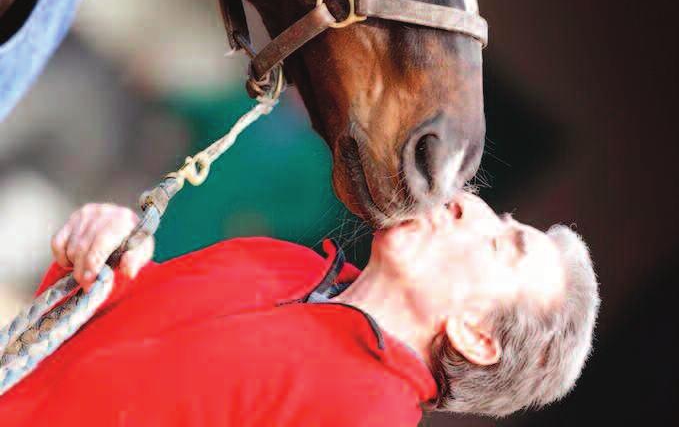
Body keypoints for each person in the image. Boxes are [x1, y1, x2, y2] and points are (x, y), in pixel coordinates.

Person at [1, 192, 599, 424]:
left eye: (501, 245)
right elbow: (62, 348)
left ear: (475, 334)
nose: (470, 202)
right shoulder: (282, 260)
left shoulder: (367, 416)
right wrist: (98, 254)